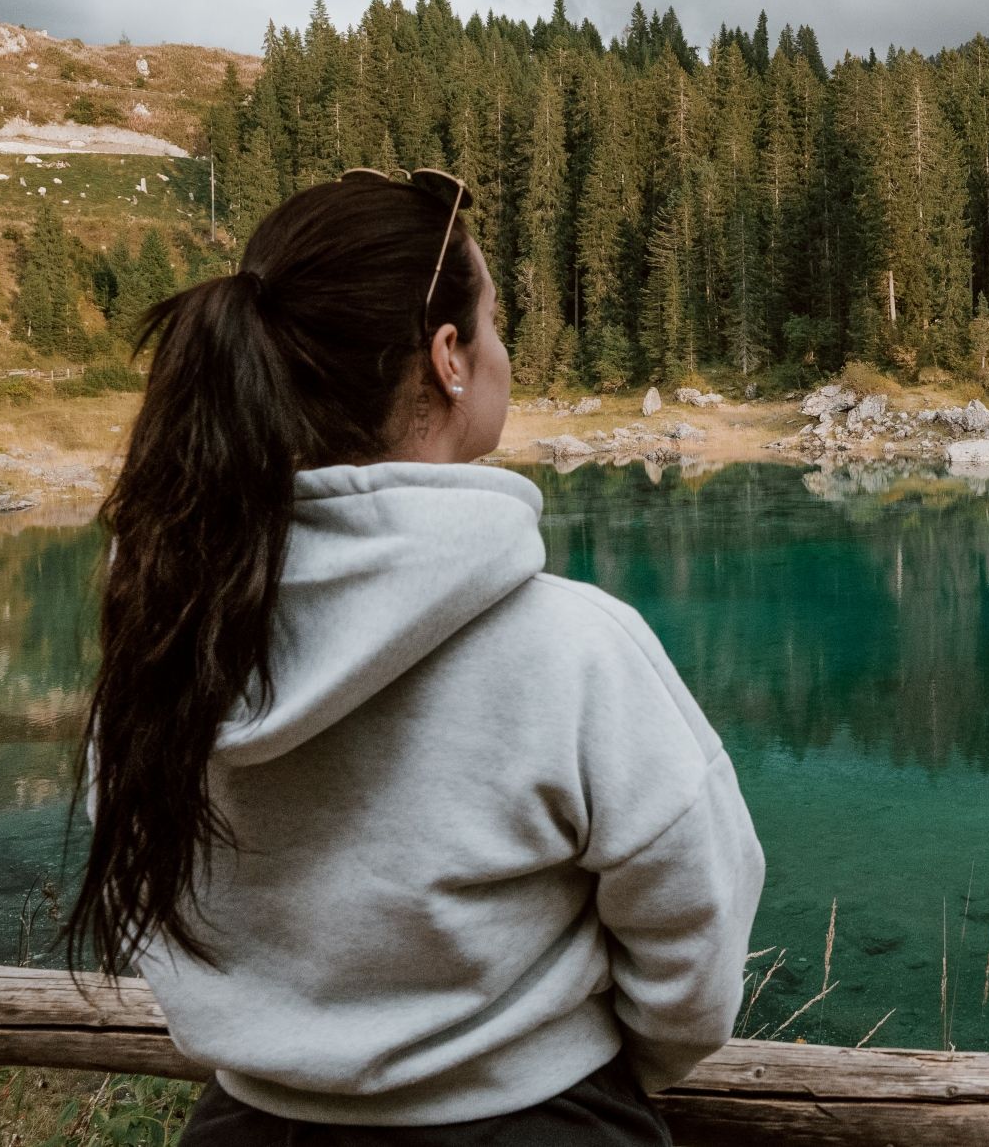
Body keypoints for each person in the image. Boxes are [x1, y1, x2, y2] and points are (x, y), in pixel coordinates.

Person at [67, 171, 764, 1141]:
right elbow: (694, 929)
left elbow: (143, 881)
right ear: (448, 359)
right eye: (495, 324)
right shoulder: (570, 648)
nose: (503, 352)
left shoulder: (170, 636)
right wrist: (585, 1064)